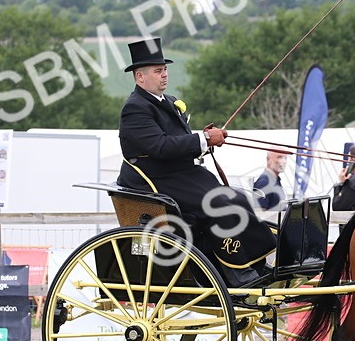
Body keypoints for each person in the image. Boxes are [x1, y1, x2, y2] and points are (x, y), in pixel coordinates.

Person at [116, 38, 276, 287]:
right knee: (220, 203)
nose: (164, 75)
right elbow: (159, 146)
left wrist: (205, 140)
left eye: (165, 69)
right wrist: (202, 139)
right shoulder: (135, 109)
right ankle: (236, 274)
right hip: (155, 181)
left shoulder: (168, 102)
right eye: (158, 71)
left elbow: (178, 142)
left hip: (180, 174)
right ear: (140, 77)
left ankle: (252, 261)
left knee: (237, 197)